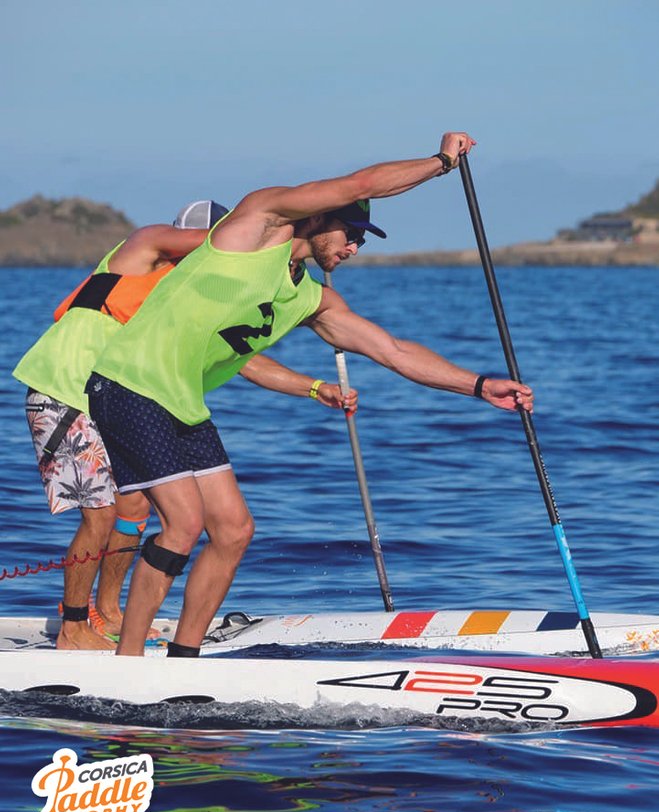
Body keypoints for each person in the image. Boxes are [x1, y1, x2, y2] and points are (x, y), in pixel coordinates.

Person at [86, 131, 533, 658]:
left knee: (233, 531)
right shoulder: (257, 224)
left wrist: (479, 385)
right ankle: (130, 662)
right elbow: (362, 181)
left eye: (363, 242)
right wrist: (441, 163)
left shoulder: (309, 297)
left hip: (181, 401)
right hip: (129, 382)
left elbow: (393, 351)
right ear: (321, 217)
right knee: (183, 524)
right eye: (353, 233)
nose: (354, 248)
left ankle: (185, 658)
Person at [14, 200, 356, 650]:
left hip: (114, 399)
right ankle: (74, 627)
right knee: (99, 515)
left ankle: (111, 612)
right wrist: (270, 241)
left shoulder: (190, 291)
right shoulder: (147, 246)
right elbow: (227, 247)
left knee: (135, 510)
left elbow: (245, 362)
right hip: (63, 387)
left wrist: (313, 388)